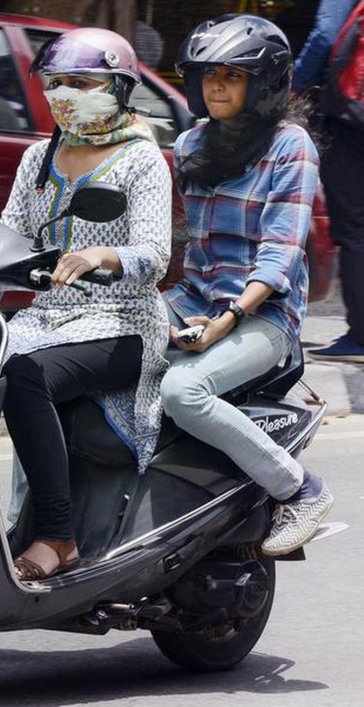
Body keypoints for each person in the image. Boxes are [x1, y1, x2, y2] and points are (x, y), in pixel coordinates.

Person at [0, 28, 172, 580]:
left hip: (122, 324)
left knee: (23, 376)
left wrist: (104, 254)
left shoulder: (141, 160)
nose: (66, 94)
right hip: (43, 318)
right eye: (57, 83)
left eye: (82, 82)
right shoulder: (36, 157)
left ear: (119, 88)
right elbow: (8, 237)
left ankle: (56, 535)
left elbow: (155, 255)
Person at [159, 13, 333, 557]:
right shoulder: (189, 145)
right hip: (195, 300)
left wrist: (226, 319)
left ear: (262, 84)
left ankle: (301, 490)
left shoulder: (290, 146)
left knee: (182, 391)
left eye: (231, 75)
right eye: (208, 74)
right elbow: (188, 248)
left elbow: (280, 253)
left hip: (264, 315)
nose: (215, 85)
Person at [292, 0, 364, 363]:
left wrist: (291, 85)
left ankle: (362, 336)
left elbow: (323, 36)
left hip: (352, 121)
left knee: (354, 228)